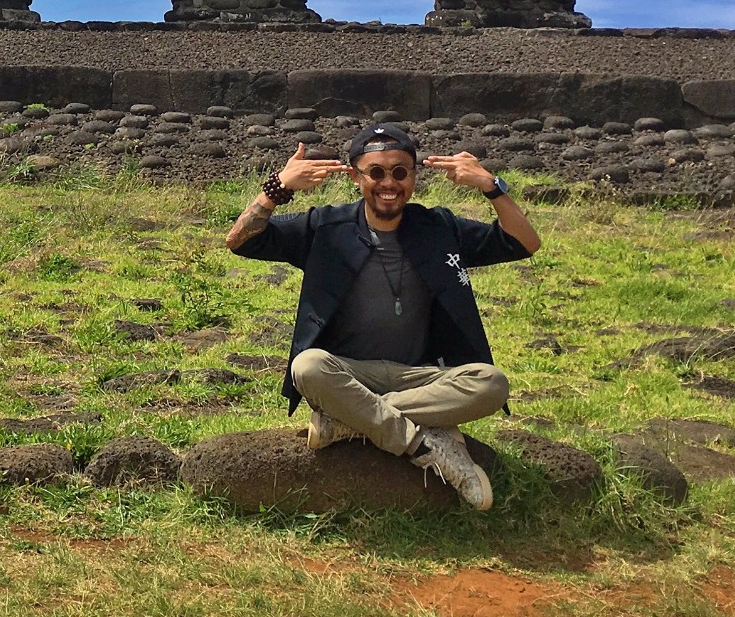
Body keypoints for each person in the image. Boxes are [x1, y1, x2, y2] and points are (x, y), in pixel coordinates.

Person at [224, 121, 542, 510]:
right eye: (375, 172)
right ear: (357, 177)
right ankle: (422, 443)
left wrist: (491, 186)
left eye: (399, 172)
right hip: (348, 372)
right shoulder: (325, 226)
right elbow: (240, 242)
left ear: (413, 177)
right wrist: (279, 186)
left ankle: (349, 422)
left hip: (421, 376)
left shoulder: (438, 227)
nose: (387, 183)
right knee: (307, 367)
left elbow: (524, 243)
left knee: (491, 383)